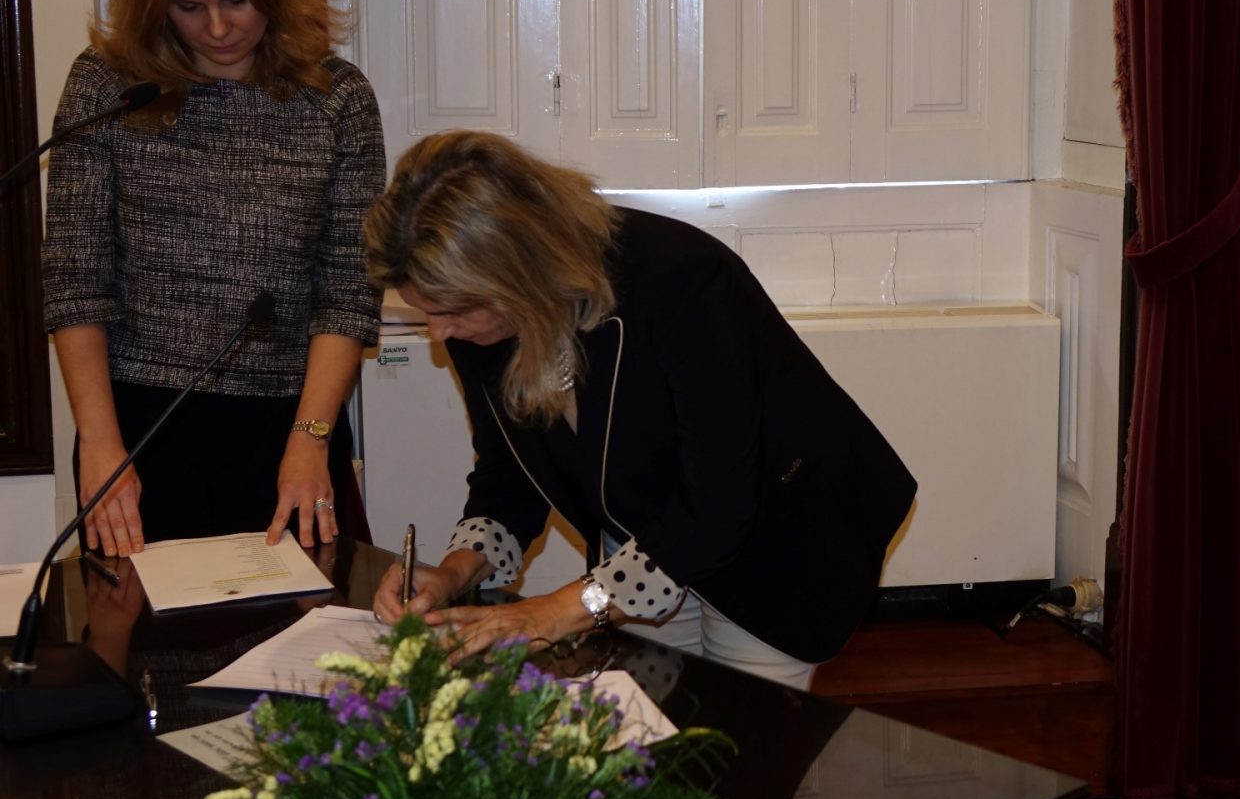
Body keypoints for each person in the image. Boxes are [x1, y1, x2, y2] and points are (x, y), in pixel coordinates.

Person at [364, 130, 917, 688]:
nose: (439, 333)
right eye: (427, 312)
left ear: (519, 274)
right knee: (651, 713)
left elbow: (720, 504)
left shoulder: (682, 279)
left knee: (740, 726)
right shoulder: (476, 318)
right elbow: (510, 470)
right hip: (647, 531)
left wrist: (555, 610)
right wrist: (453, 573)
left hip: (770, 533)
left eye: (451, 311)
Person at [43, 0, 385, 557]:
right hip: (137, 426)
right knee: (131, 622)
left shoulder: (337, 99)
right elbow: (75, 280)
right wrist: (101, 444)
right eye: (189, 7)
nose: (220, 27)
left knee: (298, 625)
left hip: (290, 426)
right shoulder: (108, 88)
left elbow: (348, 293)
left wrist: (310, 439)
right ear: (153, 1)